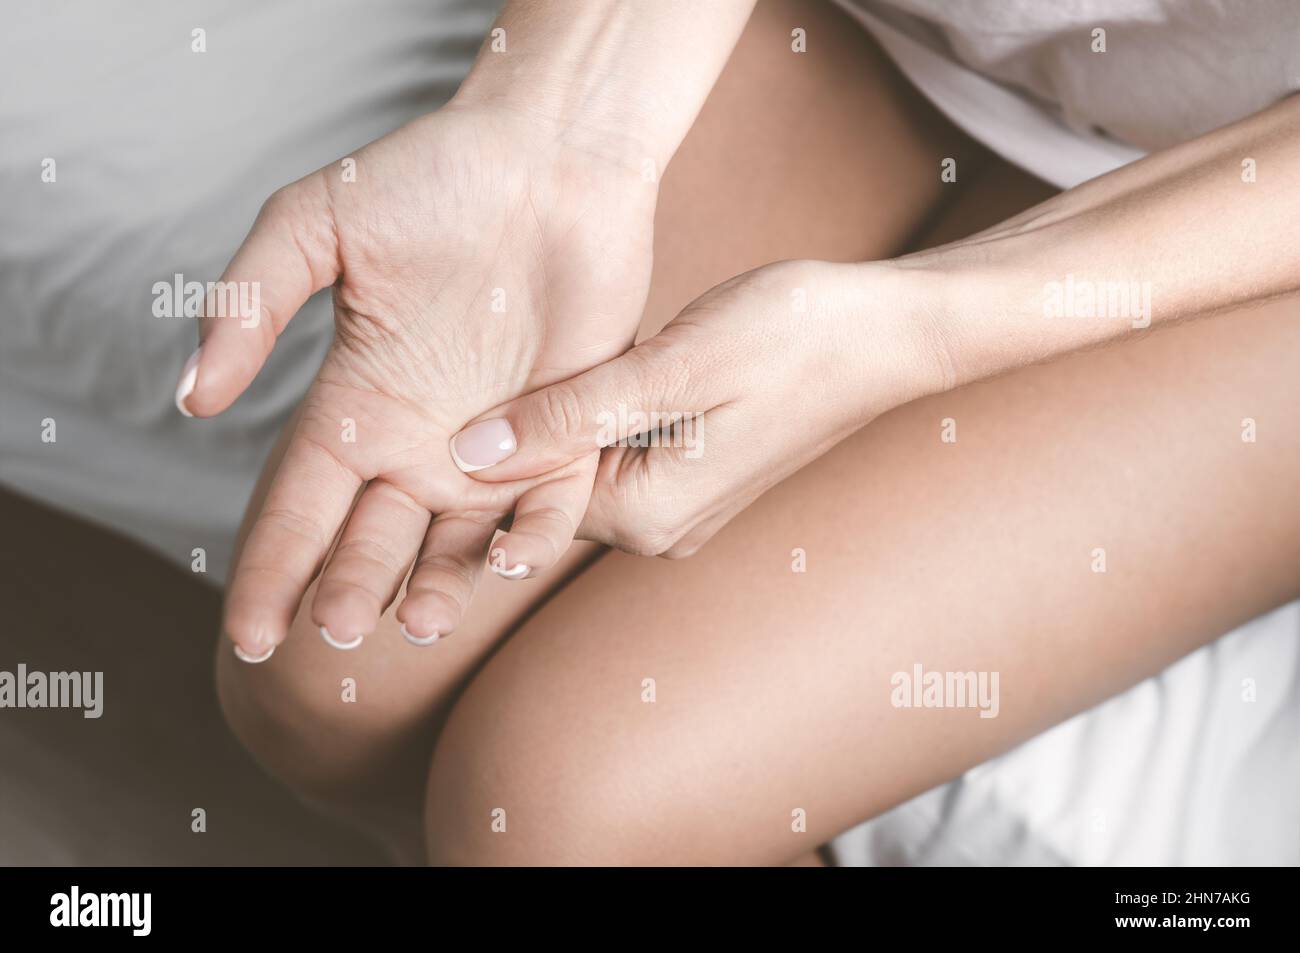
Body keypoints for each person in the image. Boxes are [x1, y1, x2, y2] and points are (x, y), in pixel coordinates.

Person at [183, 0, 1300, 864]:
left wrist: (930, 329)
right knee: (320, 682)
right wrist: (550, 124)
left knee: (559, 817)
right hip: (886, 42)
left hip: (1254, 228)